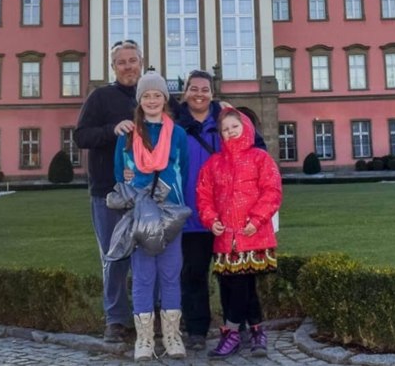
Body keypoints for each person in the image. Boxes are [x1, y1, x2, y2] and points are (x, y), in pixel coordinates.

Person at [173, 70, 267, 350]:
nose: (199, 94)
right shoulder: (174, 124)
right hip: (191, 214)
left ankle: (239, 327)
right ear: (185, 92)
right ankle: (197, 331)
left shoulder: (226, 119)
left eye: (205, 89)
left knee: (235, 275)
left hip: (230, 217)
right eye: (193, 88)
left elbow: (257, 149)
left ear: (213, 93)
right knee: (193, 274)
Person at [114, 71, 189, 361]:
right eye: (147, 95)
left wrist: (179, 202)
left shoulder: (178, 134)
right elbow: (118, 173)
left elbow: (184, 170)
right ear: (140, 100)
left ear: (165, 99)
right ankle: (144, 339)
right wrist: (127, 175)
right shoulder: (129, 133)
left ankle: (171, 336)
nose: (152, 100)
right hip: (141, 214)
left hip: (170, 214)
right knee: (144, 276)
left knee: (170, 274)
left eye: (157, 95)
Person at [197, 108, 282, 358]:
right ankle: (256, 331)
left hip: (252, 234)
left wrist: (257, 219)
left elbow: (272, 191)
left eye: (234, 126)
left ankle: (233, 332)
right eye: (225, 129)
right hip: (226, 238)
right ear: (220, 134)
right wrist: (211, 219)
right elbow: (204, 195)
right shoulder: (214, 163)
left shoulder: (260, 158)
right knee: (240, 286)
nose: (230, 131)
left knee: (241, 285)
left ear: (246, 127)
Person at [73, 39, 143, 343]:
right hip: (108, 192)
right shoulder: (100, 97)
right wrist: (110, 131)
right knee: (114, 257)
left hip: (147, 193)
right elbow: (81, 137)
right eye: (121, 62)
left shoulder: (151, 95)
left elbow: (181, 123)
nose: (128, 66)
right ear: (113, 67)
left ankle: (147, 315)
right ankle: (116, 320)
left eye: (132, 60)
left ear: (141, 62)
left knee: (148, 256)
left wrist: (219, 109)